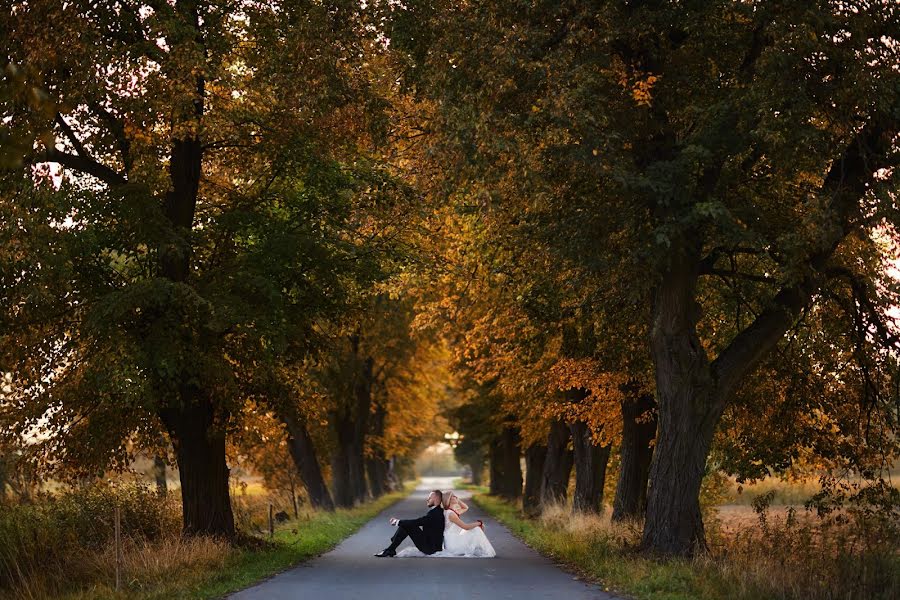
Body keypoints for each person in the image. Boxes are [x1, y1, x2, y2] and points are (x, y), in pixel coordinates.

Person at [395, 489, 496, 558]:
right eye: (454, 496)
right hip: (452, 543)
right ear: (449, 500)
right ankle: (481, 547)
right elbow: (465, 527)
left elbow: (466, 507)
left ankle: (478, 546)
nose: (456, 497)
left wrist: (457, 500)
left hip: (455, 537)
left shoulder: (452, 511)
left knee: (476, 528)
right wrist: (479, 523)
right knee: (476, 528)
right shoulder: (451, 514)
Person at [374, 489, 445, 557]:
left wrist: (398, 522)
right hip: (431, 544)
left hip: (431, 548)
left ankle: (391, 547)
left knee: (408, 525)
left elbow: (419, 521)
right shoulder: (437, 511)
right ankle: (391, 547)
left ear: (435, 499)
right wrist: (399, 522)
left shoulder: (435, 513)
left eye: (429, 498)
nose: (427, 499)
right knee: (407, 524)